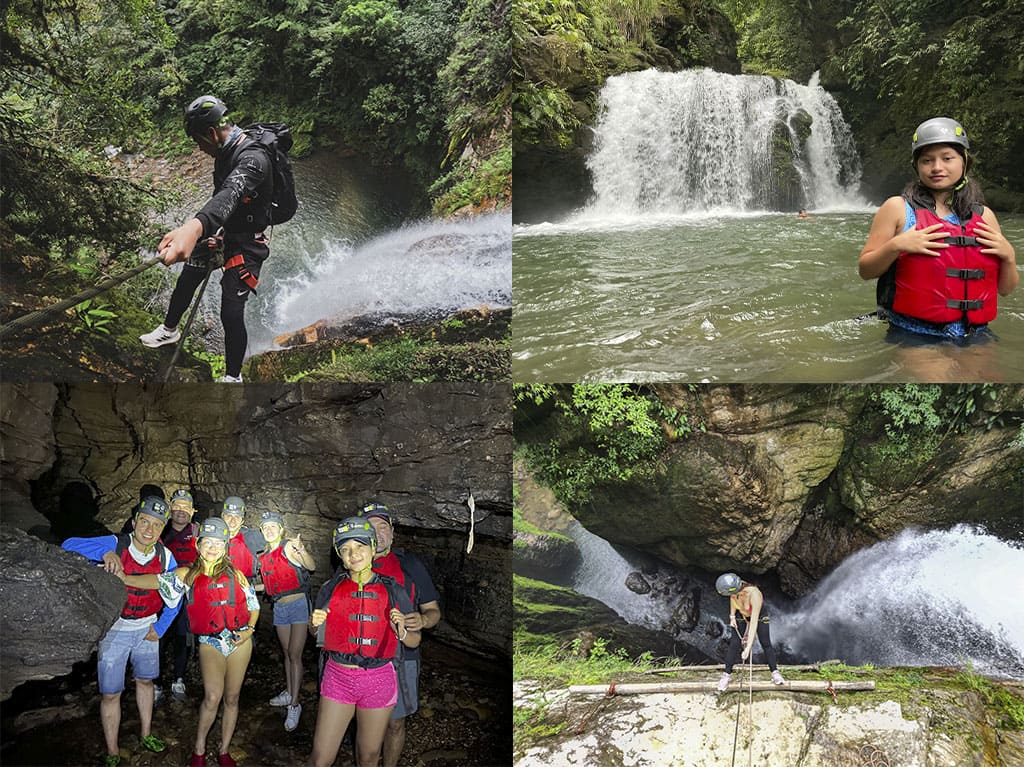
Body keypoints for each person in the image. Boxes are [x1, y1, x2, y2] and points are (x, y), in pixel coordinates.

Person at [139, 95, 275, 383]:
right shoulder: (225, 152)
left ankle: (232, 377)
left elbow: (232, 193)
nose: (199, 149)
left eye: (199, 142)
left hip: (248, 243)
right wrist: (205, 231)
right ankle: (169, 330)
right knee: (189, 275)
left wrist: (195, 227)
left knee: (230, 309)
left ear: (211, 133)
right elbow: (222, 199)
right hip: (224, 229)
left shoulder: (254, 159)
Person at [858, 117, 1018, 342]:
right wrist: (896, 245)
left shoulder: (984, 216)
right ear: (917, 166)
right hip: (914, 332)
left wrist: (1010, 257)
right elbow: (865, 270)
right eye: (927, 160)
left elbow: (1006, 290)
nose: (937, 168)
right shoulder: (897, 208)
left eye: (947, 158)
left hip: (976, 333)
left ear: (964, 162)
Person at [121, 517, 260, 767]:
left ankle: (224, 749)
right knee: (213, 696)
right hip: (210, 642)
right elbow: (156, 582)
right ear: (198, 544)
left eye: (219, 543)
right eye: (208, 542)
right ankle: (199, 748)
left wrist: (250, 630)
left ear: (225, 546)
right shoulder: (187, 574)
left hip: (241, 640)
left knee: (232, 698)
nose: (213, 547)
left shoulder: (236, 574)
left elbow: (253, 605)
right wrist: (125, 578)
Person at [61, 496, 179, 767]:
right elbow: (67, 545)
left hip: (147, 628)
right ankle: (113, 751)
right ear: (135, 520)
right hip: (115, 630)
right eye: (145, 522)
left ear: (163, 529)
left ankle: (146, 734)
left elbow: (175, 595)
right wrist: (105, 552)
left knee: (146, 682)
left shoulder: (165, 556)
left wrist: (160, 628)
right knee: (111, 693)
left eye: (157, 525)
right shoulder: (117, 543)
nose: (149, 530)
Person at [307, 517, 420, 767]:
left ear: (372, 548)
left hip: (378, 679)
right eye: (345, 549)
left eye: (359, 546)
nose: (353, 554)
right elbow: (317, 635)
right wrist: (313, 624)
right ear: (340, 555)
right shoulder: (330, 588)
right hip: (338, 676)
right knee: (320, 758)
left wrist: (400, 630)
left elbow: (413, 641)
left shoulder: (394, 590)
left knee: (368, 756)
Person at [356, 502, 441, 767]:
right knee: (363, 724)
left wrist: (424, 620)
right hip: (362, 658)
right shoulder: (351, 561)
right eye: (371, 527)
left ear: (392, 532)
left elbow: (433, 611)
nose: (378, 532)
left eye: (383, 526)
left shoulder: (411, 565)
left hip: (403, 656)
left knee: (395, 723)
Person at [257, 510, 316, 732]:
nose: (270, 529)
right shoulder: (263, 557)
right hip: (279, 607)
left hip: (299, 605)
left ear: (281, 529)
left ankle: (295, 704)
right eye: (266, 527)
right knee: (286, 654)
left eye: (274, 526)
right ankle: (290, 691)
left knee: (294, 654)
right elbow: (270, 585)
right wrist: (245, 588)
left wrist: (301, 549)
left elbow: (310, 566)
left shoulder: (289, 547)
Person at [160, 489, 200, 701]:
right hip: (162, 592)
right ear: (170, 509)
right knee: (160, 635)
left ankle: (179, 679)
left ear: (192, 511)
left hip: (187, 594)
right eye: (177, 505)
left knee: (182, 636)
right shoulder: (159, 530)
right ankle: (155, 682)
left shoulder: (198, 532)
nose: (181, 510)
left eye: (186, 506)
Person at [714, 573, 784, 692]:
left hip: (759, 616)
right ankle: (726, 676)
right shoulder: (734, 592)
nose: (730, 596)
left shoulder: (754, 594)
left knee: (766, 643)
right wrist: (732, 617)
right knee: (734, 644)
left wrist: (748, 648)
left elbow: (753, 624)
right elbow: (733, 601)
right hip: (741, 614)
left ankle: (775, 672)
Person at [220, 495, 265, 580]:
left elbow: (274, 539)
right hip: (220, 585)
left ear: (242, 521)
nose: (233, 521)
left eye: (237, 517)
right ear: (223, 516)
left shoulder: (252, 537)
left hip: (245, 585)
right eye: (229, 516)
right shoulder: (213, 537)